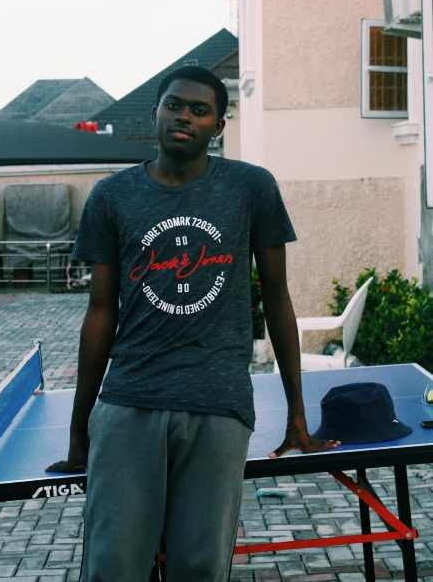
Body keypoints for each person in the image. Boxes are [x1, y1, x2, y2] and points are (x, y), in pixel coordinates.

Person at [47, 66, 339, 582]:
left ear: (218, 126)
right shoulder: (111, 197)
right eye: (175, 105)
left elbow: (277, 299)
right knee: (111, 568)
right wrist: (79, 429)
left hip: (218, 406)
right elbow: (99, 313)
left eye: (200, 110)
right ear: (154, 113)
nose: (185, 115)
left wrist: (298, 414)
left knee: (200, 569)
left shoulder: (252, 188)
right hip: (129, 401)